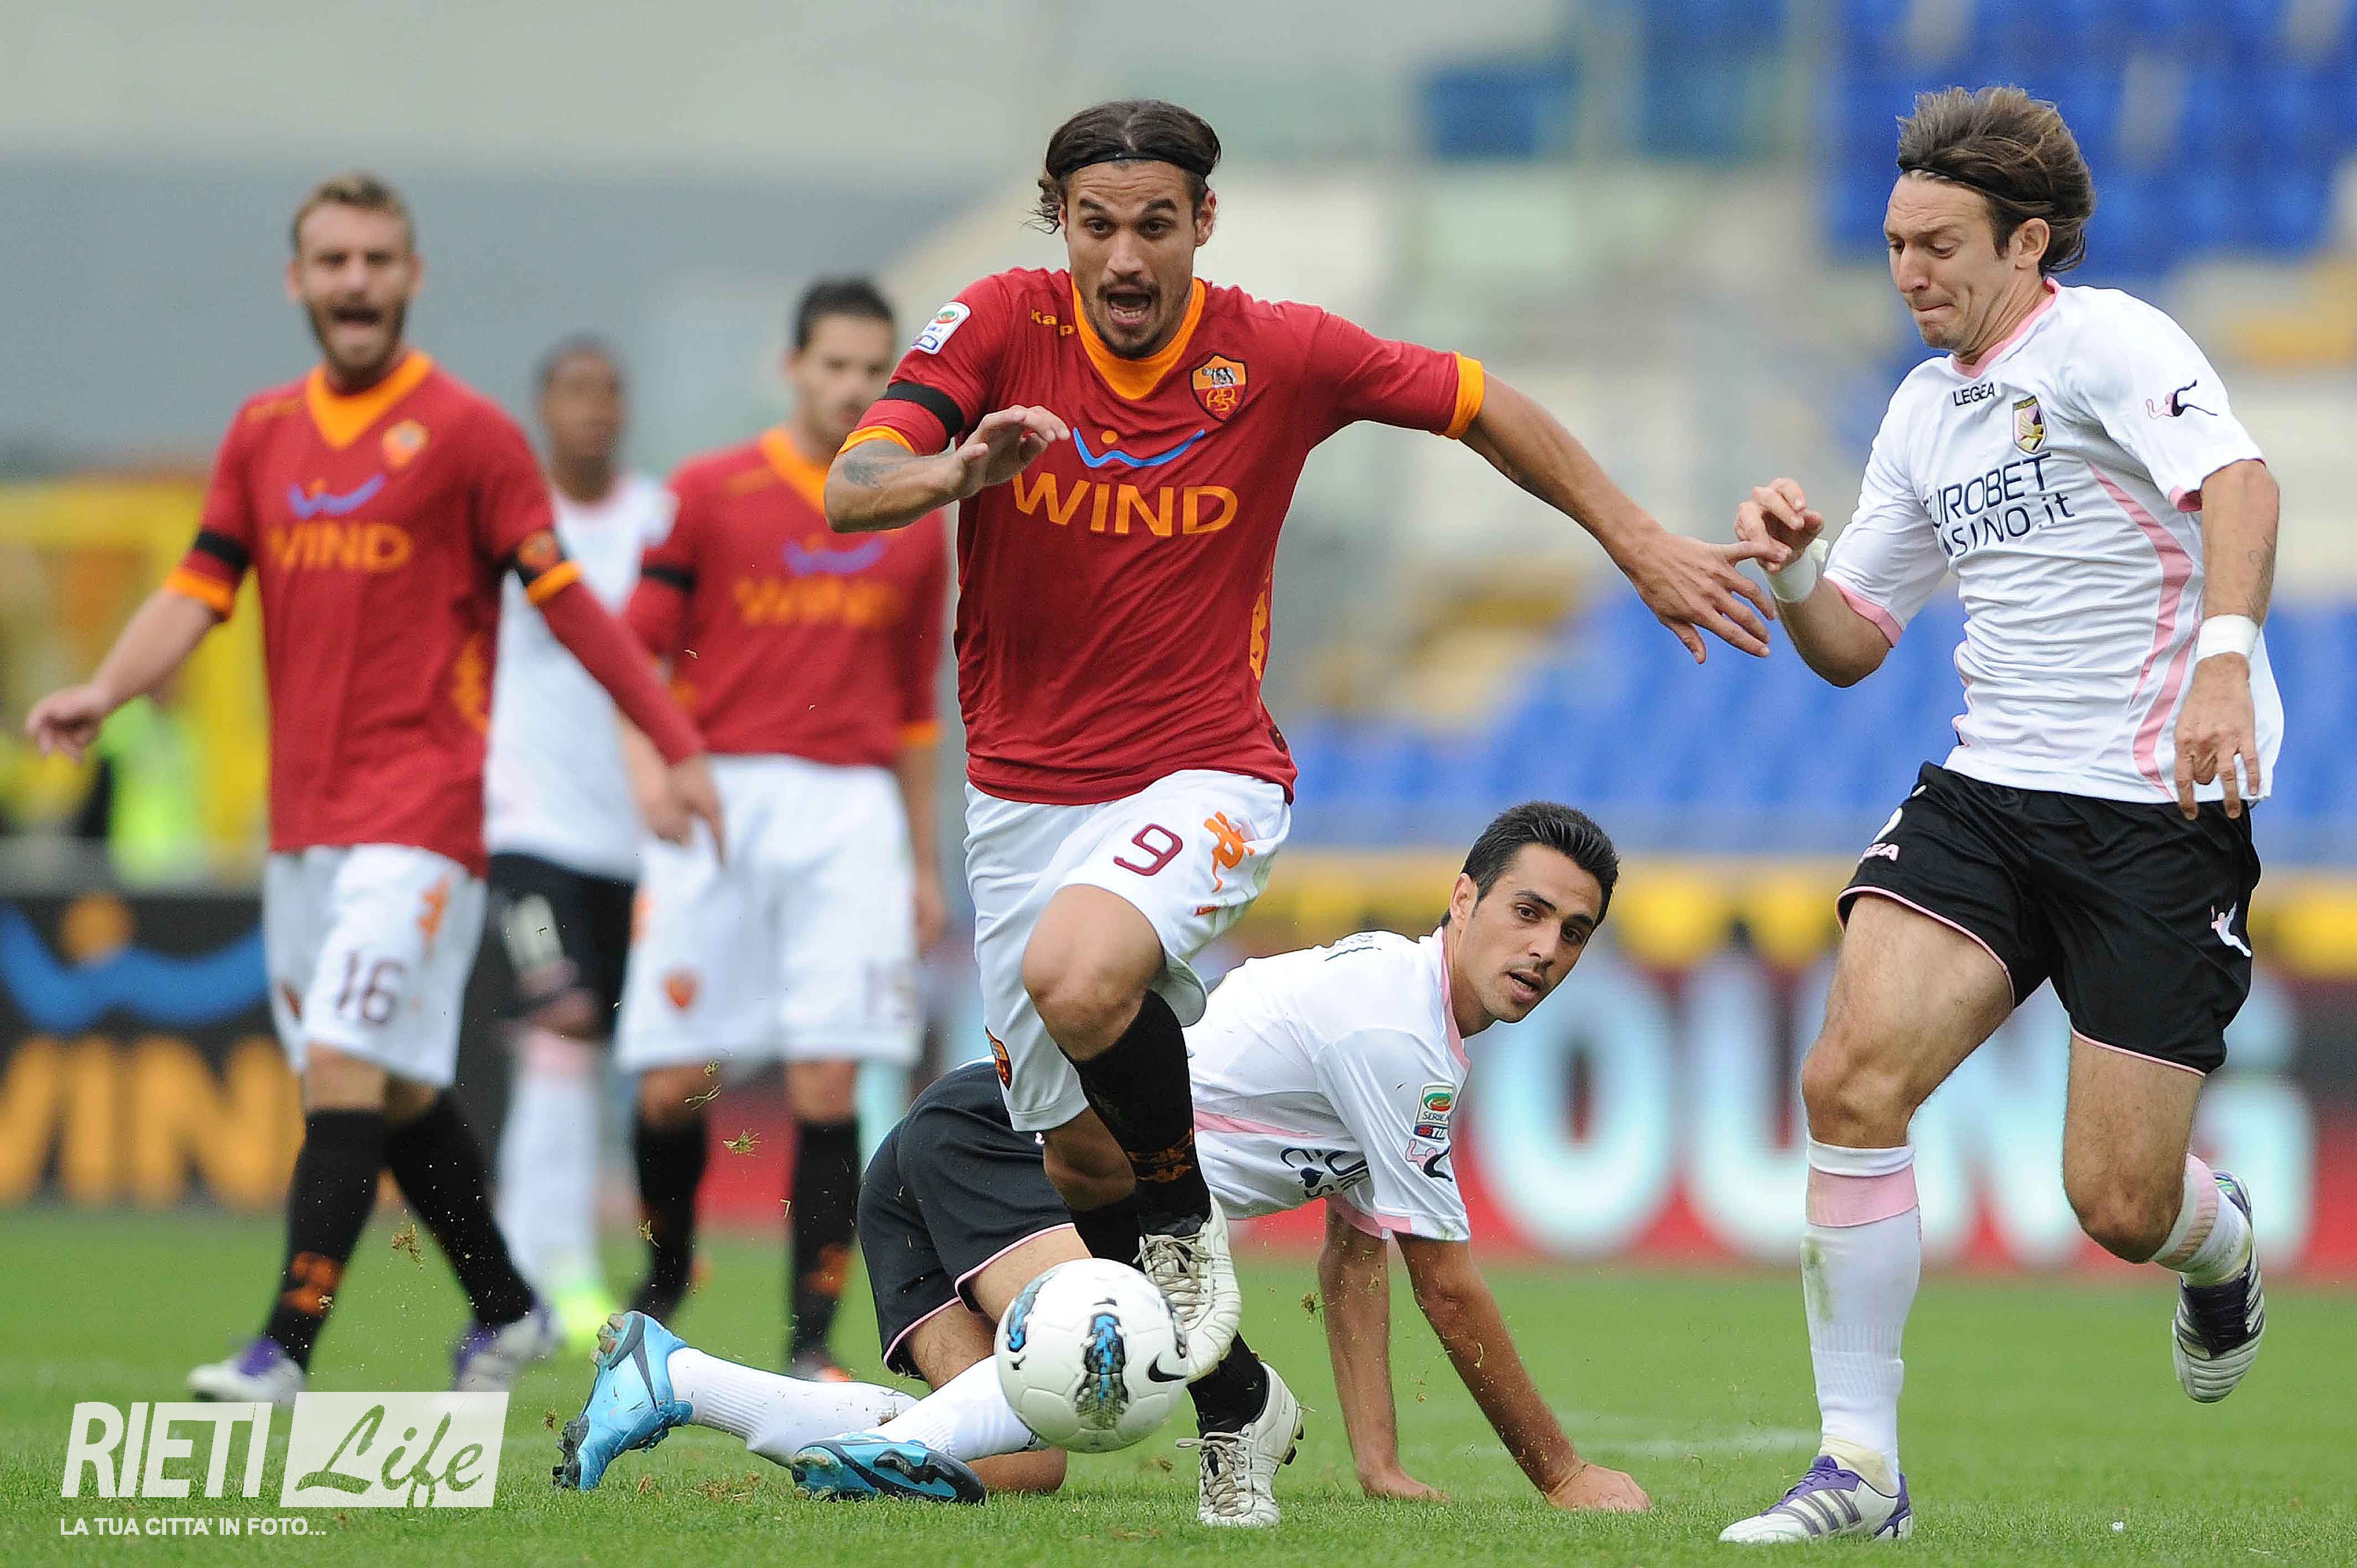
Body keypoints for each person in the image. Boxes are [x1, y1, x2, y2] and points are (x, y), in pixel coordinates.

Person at [821, 97, 1776, 1463]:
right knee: (1076, 1157)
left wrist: (1631, 538)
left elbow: (1480, 403)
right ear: (1060, 224)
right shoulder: (996, 325)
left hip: (1204, 771)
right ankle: (1242, 1403)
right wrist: (954, 471)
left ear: (1204, 221)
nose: (1126, 257)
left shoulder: (1275, 351)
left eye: (1157, 225)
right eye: (1097, 226)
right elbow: (854, 482)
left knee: (1078, 977)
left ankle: (1182, 1245)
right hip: (1020, 802)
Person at [24, 172, 722, 1406]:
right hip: (307, 824)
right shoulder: (262, 432)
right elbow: (199, 585)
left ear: (412, 277)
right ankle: (505, 1306)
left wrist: (673, 740)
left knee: (344, 1061)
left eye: (377, 260)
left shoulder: (467, 436)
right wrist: (108, 690)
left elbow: (573, 610)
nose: (356, 282)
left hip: (424, 815)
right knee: (390, 1087)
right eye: (334, 261)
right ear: (298, 281)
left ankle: (282, 1351)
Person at [1718, 87, 2278, 1544]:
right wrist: (1796, 571)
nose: (1909, 273)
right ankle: (1860, 1472)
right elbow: (1854, 642)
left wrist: (2224, 665)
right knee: (1850, 1083)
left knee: (2117, 1202)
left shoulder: (2110, 343)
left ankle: (2218, 1248)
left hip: (2154, 813)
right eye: (1894, 246)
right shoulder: (1921, 410)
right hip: (1989, 795)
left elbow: (2240, 483)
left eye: (1939, 246)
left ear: (2027, 243)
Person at [555, 803, 1651, 1527]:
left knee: (1021, 1458)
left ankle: (676, 1380)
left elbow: (1356, 1261)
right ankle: (929, 1440)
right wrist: (1561, 1474)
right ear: (1462, 900)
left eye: (1574, 932)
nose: (1546, 949)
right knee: (1114, 1349)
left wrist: (1379, 1463)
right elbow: (1444, 1284)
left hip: (957, 1155)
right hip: (1010, 1143)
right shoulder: (1394, 1029)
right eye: (1528, 912)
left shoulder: (1409, 1023)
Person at [613, 278, 950, 1382]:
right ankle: (665, 1277)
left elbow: (914, 709)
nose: (852, 387)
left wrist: (921, 861)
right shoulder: (710, 491)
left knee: (827, 1079)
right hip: (721, 798)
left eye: (872, 370)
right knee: (672, 1082)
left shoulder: (912, 517)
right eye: (834, 365)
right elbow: (632, 652)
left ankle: (811, 1341)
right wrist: (648, 771)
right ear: (792, 367)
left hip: (850, 812)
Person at [484, 338, 675, 1352]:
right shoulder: (507, 522)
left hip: (633, 839)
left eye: (609, 393)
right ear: (542, 408)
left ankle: (554, 1264)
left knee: (612, 1048)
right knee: (559, 1018)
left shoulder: (657, 522)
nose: (593, 410)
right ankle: (541, 1267)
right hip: (527, 824)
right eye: (574, 393)